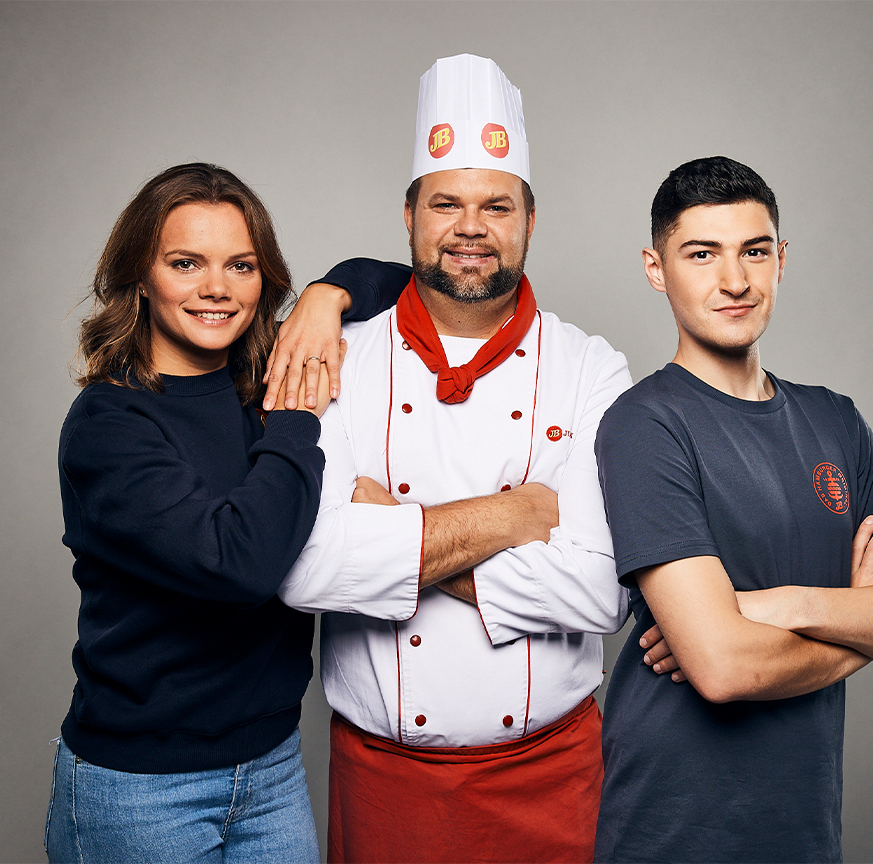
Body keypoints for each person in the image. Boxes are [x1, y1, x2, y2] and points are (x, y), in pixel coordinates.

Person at [268, 54, 632, 863]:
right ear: (408, 216)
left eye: (496, 205)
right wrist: (515, 516)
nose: (471, 227)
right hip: (384, 778)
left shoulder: (591, 368)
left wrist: (389, 531)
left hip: (554, 774)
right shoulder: (333, 358)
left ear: (530, 219)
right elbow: (303, 570)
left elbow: (598, 589)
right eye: (447, 203)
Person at [593, 156, 873, 863]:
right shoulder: (645, 425)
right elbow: (725, 670)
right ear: (656, 268)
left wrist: (770, 605)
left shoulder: (835, 421)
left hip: (804, 829)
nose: (735, 281)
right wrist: (866, 625)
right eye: (702, 254)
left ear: (781, 259)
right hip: (675, 832)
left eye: (754, 251)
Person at [46, 163, 397, 864]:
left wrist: (326, 296)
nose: (217, 288)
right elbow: (238, 563)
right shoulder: (109, 423)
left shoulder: (260, 376)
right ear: (141, 277)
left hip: (269, 767)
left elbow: (408, 278)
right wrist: (296, 422)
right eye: (186, 263)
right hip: (141, 789)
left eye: (241, 265)